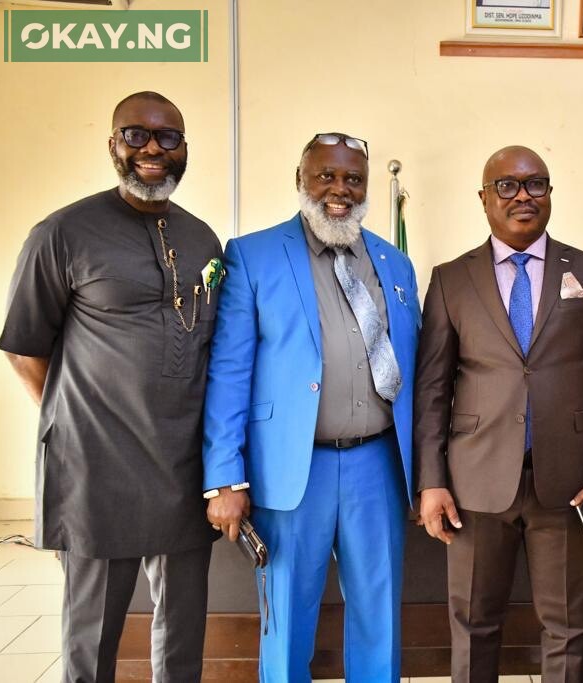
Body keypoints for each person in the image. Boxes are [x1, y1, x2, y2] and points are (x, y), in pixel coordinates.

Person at [0, 91, 219, 682]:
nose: (153, 148)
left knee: (182, 634)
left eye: (168, 137)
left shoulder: (202, 239)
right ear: (113, 145)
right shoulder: (64, 232)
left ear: (184, 149)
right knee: (92, 638)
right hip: (98, 470)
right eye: (137, 135)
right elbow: (23, 347)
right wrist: (80, 420)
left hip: (183, 466)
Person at [201, 132, 420, 682]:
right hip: (293, 467)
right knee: (287, 615)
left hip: (379, 466)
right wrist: (224, 477)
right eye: (325, 176)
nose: (338, 190)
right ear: (301, 180)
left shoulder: (395, 264)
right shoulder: (252, 255)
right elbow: (229, 372)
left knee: (380, 615)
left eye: (352, 179)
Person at [414, 145, 583, 682]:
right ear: (484, 199)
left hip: (569, 481)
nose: (522, 196)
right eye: (507, 186)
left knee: (566, 627)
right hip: (474, 483)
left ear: (550, 194)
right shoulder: (450, 279)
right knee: (473, 622)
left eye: (535, 184)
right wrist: (431, 481)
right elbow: (432, 390)